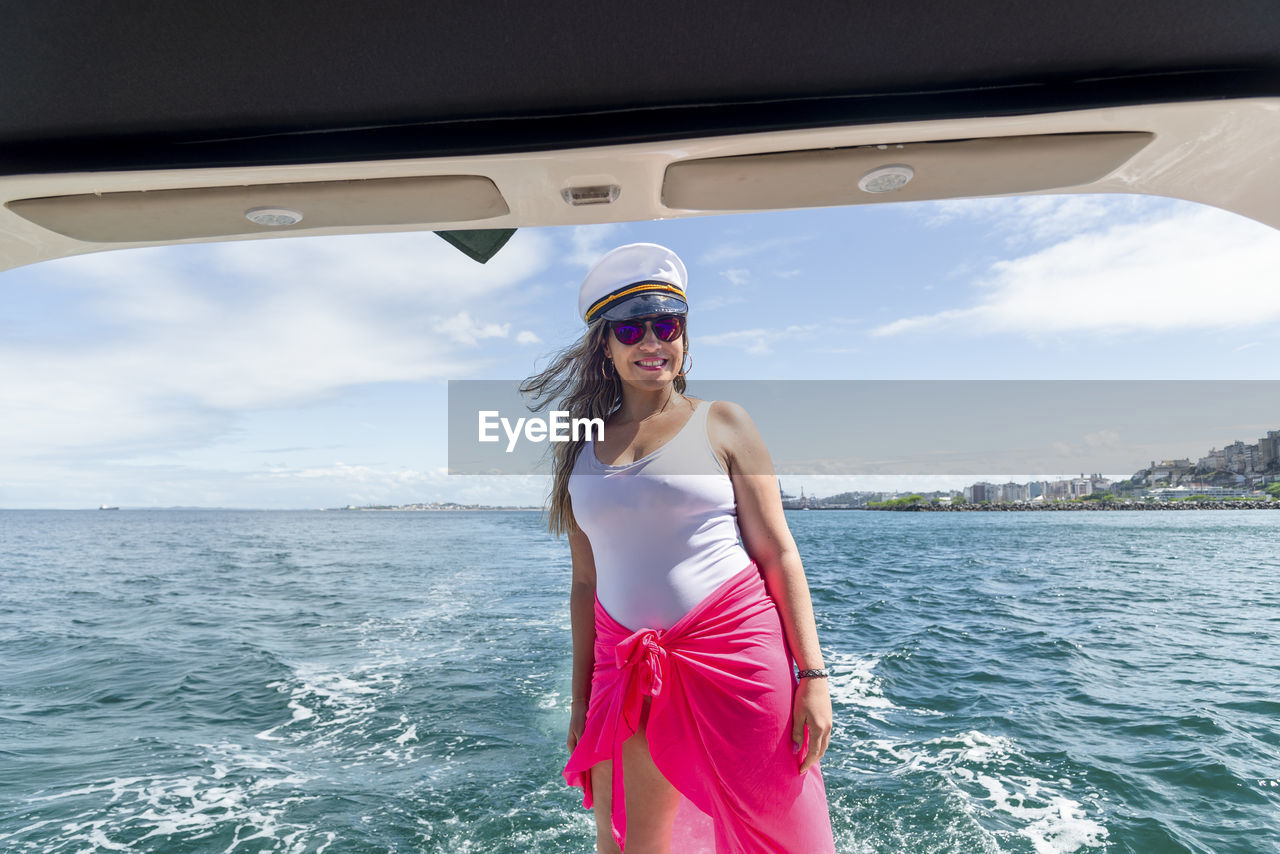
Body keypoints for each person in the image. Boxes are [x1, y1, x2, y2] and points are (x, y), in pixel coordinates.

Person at [521, 243, 835, 853]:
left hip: (737, 653)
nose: (651, 343)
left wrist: (814, 676)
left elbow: (778, 553)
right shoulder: (578, 447)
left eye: (665, 327)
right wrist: (581, 699)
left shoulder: (723, 422)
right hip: (625, 667)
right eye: (630, 330)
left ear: (684, 338)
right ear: (605, 348)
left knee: (781, 833)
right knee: (632, 845)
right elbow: (585, 582)